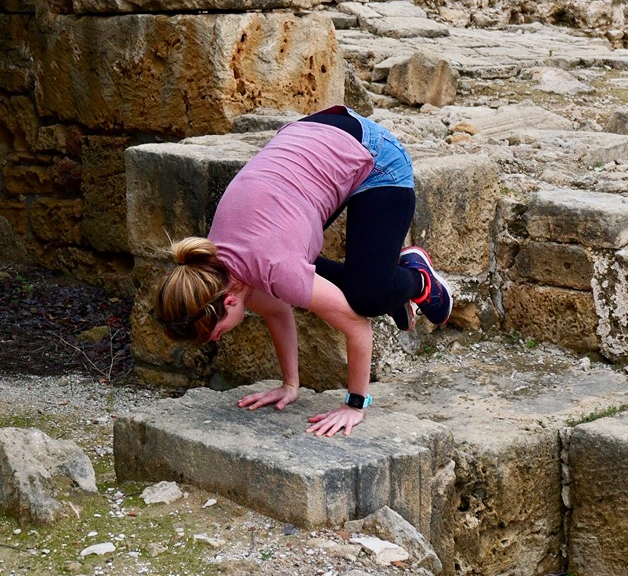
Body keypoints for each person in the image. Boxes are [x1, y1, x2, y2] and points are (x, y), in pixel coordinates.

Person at [152, 105, 452, 437]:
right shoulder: (215, 266)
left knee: (367, 298)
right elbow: (278, 310)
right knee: (338, 284)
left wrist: (354, 405)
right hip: (314, 137)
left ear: (229, 303)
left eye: (216, 332)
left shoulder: (274, 270)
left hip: (374, 156)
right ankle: (384, 279)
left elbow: (356, 328)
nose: (219, 337)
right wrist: (290, 385)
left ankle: (417, 279)